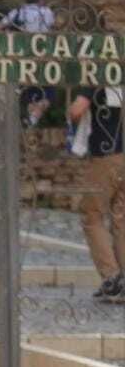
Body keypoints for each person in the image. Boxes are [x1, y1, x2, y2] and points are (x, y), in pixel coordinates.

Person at [69, 85, 125, 301]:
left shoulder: (96, 75)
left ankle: (111, 278)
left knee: (92, 214)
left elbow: (77, 110)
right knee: (120, 218)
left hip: (105, 156)